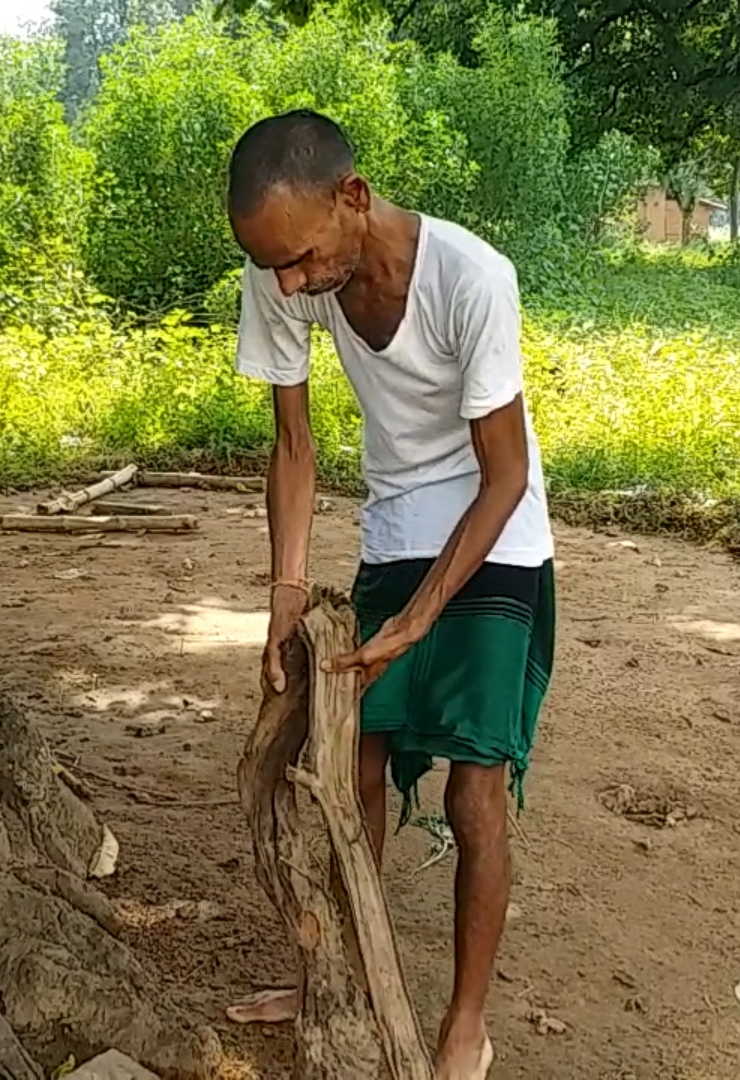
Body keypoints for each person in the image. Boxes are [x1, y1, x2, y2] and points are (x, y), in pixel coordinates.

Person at [222, 108, 557, 1080]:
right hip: (400, 522)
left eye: (300, 258)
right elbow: (293, 446)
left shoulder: (472, 278)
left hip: (500, 535)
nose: (288, 284)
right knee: (349, 764)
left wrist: (418, 620)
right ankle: (345, 978)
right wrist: (286, 596)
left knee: (473, 792)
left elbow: (502, 474)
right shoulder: (279, 266)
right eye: (271, 266)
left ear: (354, 198)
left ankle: (464, 1022)